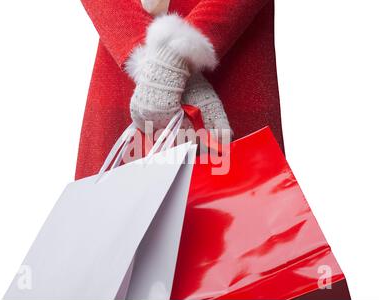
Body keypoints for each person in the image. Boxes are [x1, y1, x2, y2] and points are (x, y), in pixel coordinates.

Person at [76, 0, 284, 180]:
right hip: (127, 69)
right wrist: (163, 68)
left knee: (238, 215)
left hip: (231, 60)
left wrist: (175, 59)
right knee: (118, 215)